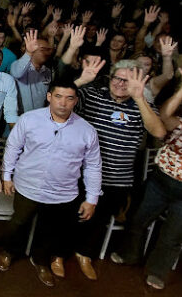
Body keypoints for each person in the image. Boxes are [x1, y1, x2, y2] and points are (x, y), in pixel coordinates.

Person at [111, 64, 182, 290]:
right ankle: (130, 254)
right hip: (160, 182)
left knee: (171, 237)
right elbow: (164, 116)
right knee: (138, 220)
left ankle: (157, 272)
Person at [0, 79, 103, 287]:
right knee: (19, 223)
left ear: (75, 101)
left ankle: (42, 261)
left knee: (51, 230)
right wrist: (7, 175)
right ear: (49, 97)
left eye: (69, 98)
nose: (63, 103)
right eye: (58, 97)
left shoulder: (86, 130)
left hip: (62, 193)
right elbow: (13, 147)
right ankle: (10, 252)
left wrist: (92, 198)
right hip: (28, 185)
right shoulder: (29, 119)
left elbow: (92, 166)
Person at [70, 58, 166, 279]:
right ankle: (61, 253)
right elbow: (59, 102)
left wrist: (139, 97)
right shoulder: (92, 95)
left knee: (98, 220)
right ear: (109, 78)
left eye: (128, 80)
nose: (121, 84)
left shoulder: (143, 106)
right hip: (80, 173)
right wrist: (82, 81)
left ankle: (85, 254)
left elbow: (159, 132)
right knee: (73, 216)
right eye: (117, 78)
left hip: (118, 178)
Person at [9, 30, 54, 113]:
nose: (47, 53)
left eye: (48, 50)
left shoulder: (47, 71)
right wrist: (28, 53)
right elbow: (17, 73)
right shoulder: (17, 65)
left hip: (38, 118)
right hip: (20, 120)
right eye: (43, 49)